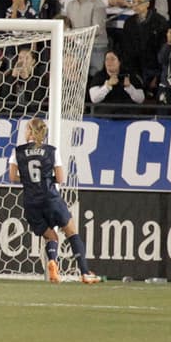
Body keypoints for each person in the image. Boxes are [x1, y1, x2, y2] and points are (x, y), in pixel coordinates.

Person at [9, 118, 102, 285]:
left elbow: (12, 177)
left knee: (51, 236)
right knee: (71, 232)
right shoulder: (52, 151)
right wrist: (45, 179)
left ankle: (52, 261)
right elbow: (60, 178)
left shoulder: (17, 152)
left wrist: (30, 180)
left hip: (31, 202)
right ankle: (85, 273)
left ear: (29, 131)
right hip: (51, 198)